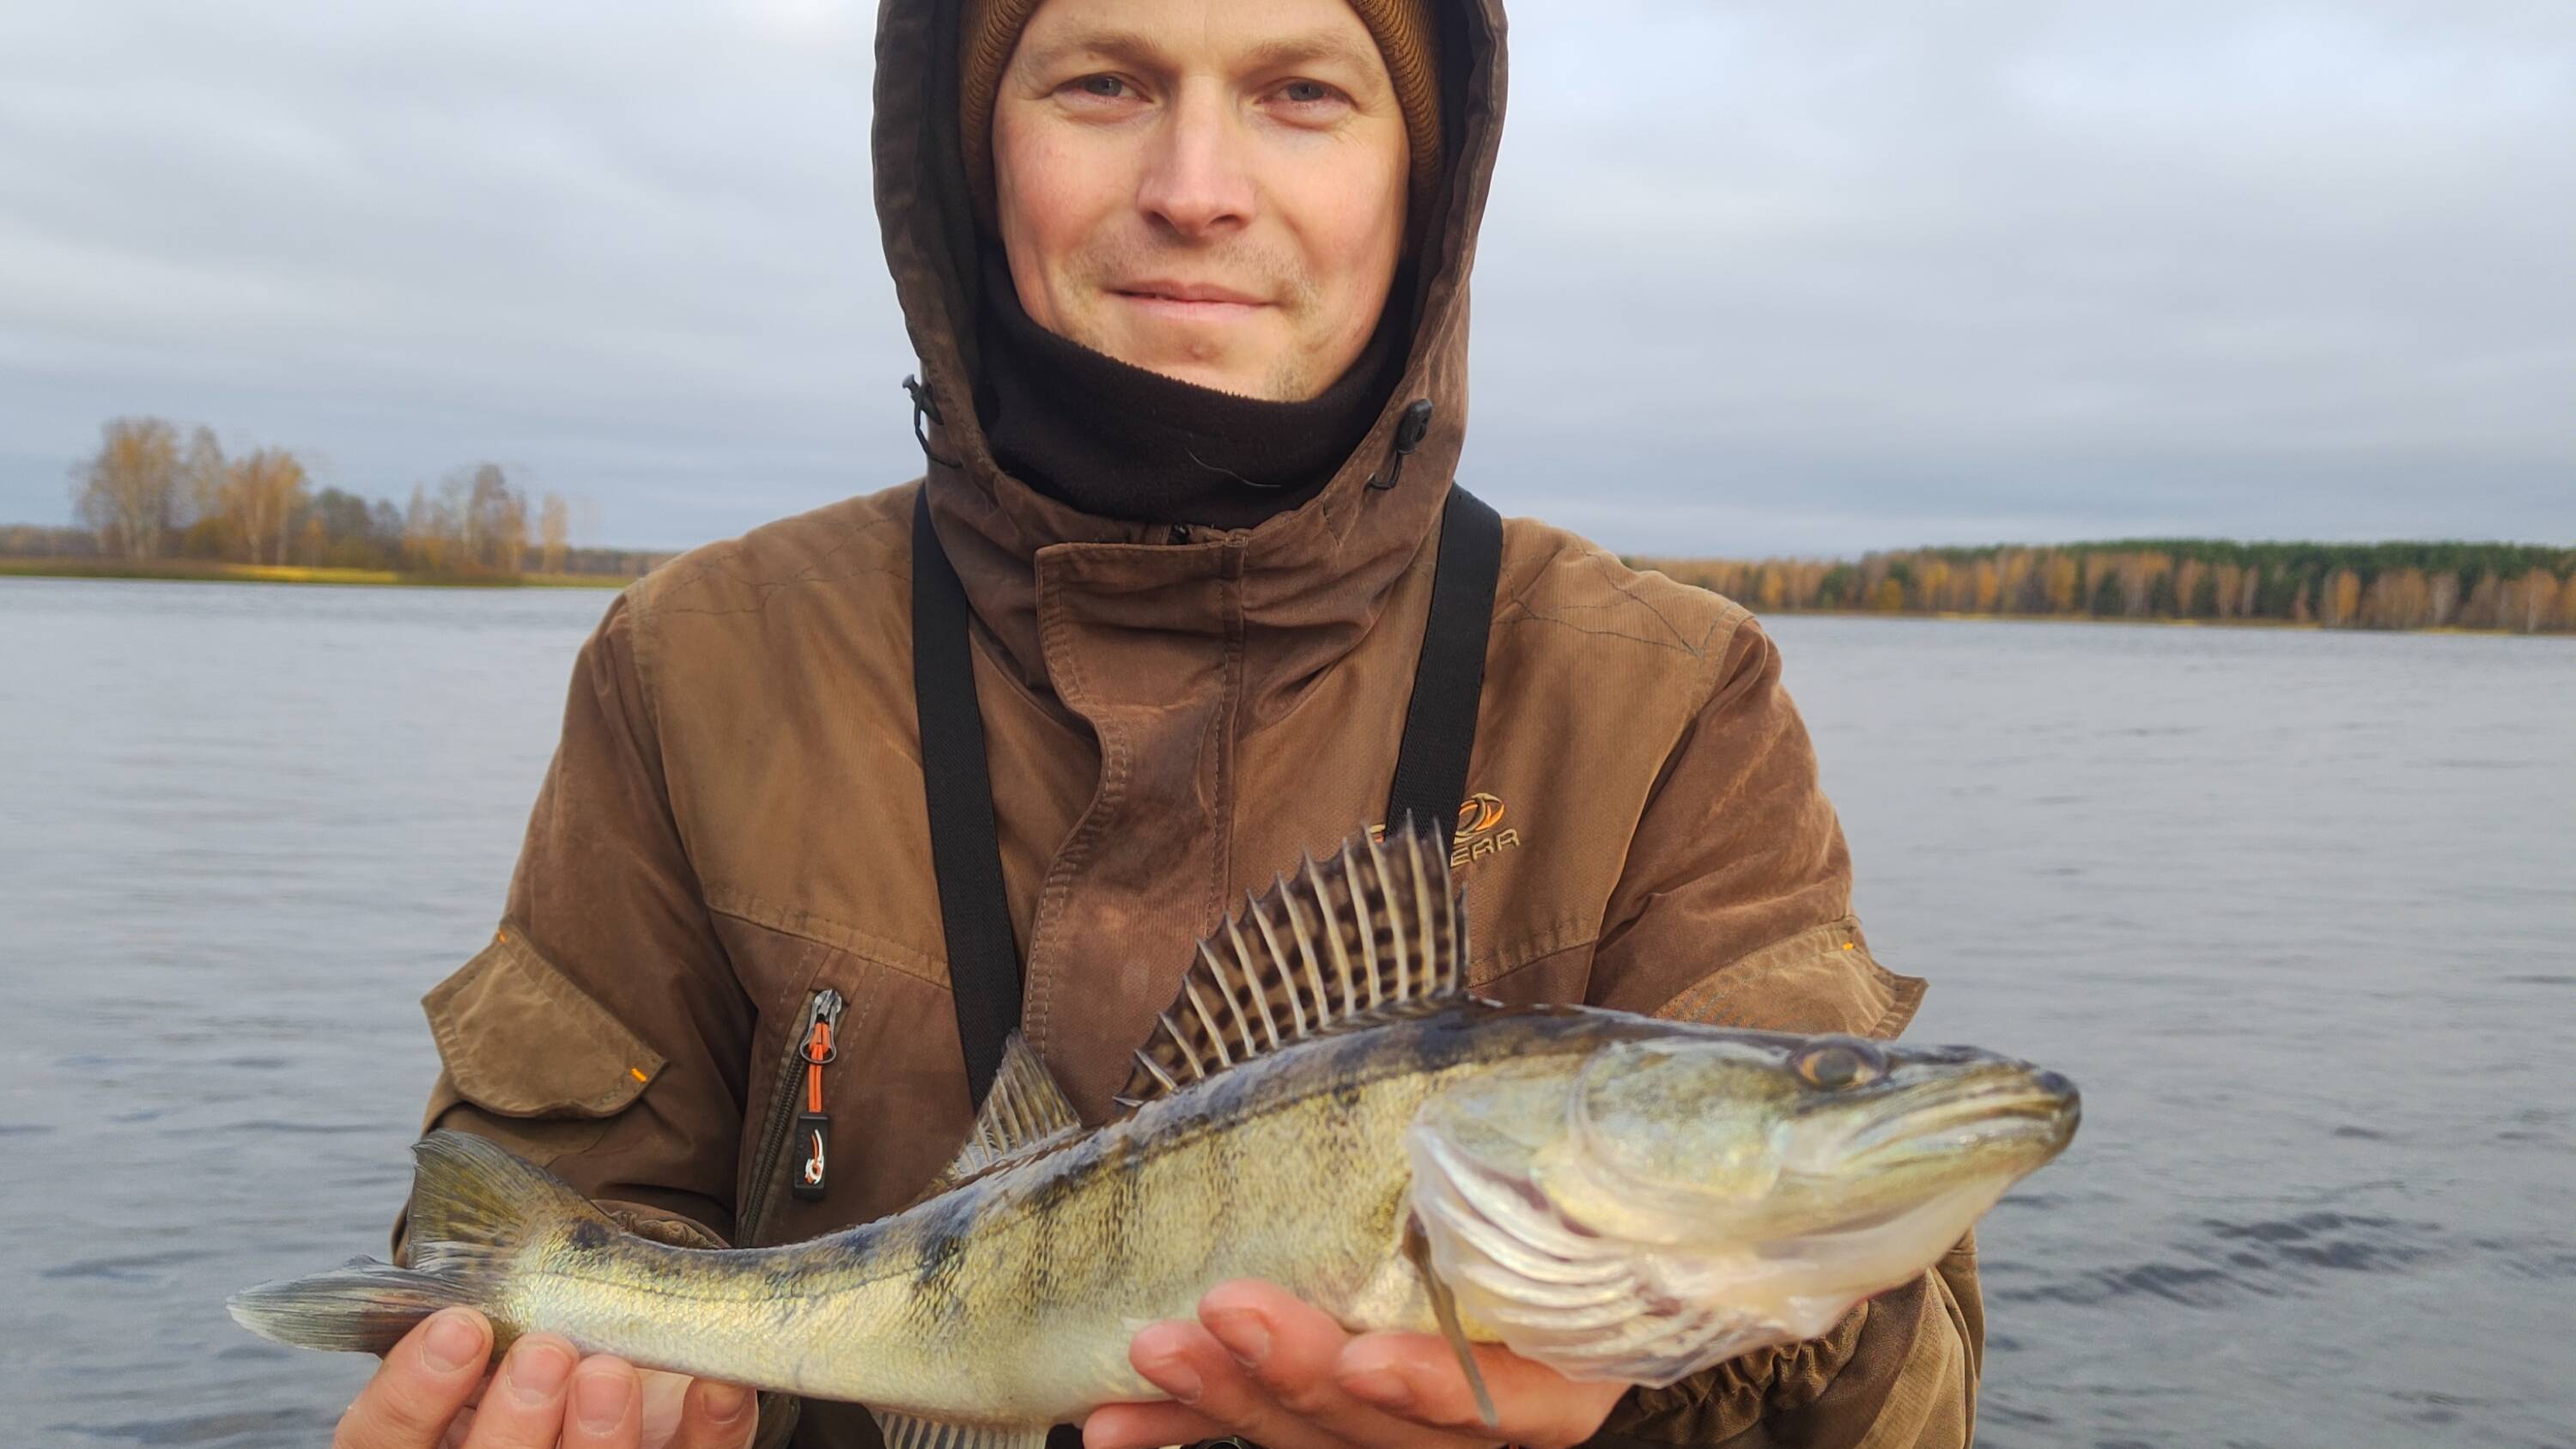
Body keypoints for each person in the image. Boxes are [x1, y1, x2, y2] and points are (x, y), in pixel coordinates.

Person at [326, 0, 1982, 1445]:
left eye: (1303, 93)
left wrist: (1670, 1388)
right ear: (976, 154)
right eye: (1103, 82)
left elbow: (1912, 1393)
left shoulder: (1672, 697)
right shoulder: (694, 662)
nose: (1196, 190)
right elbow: (529, 1220)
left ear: (1428, 176)